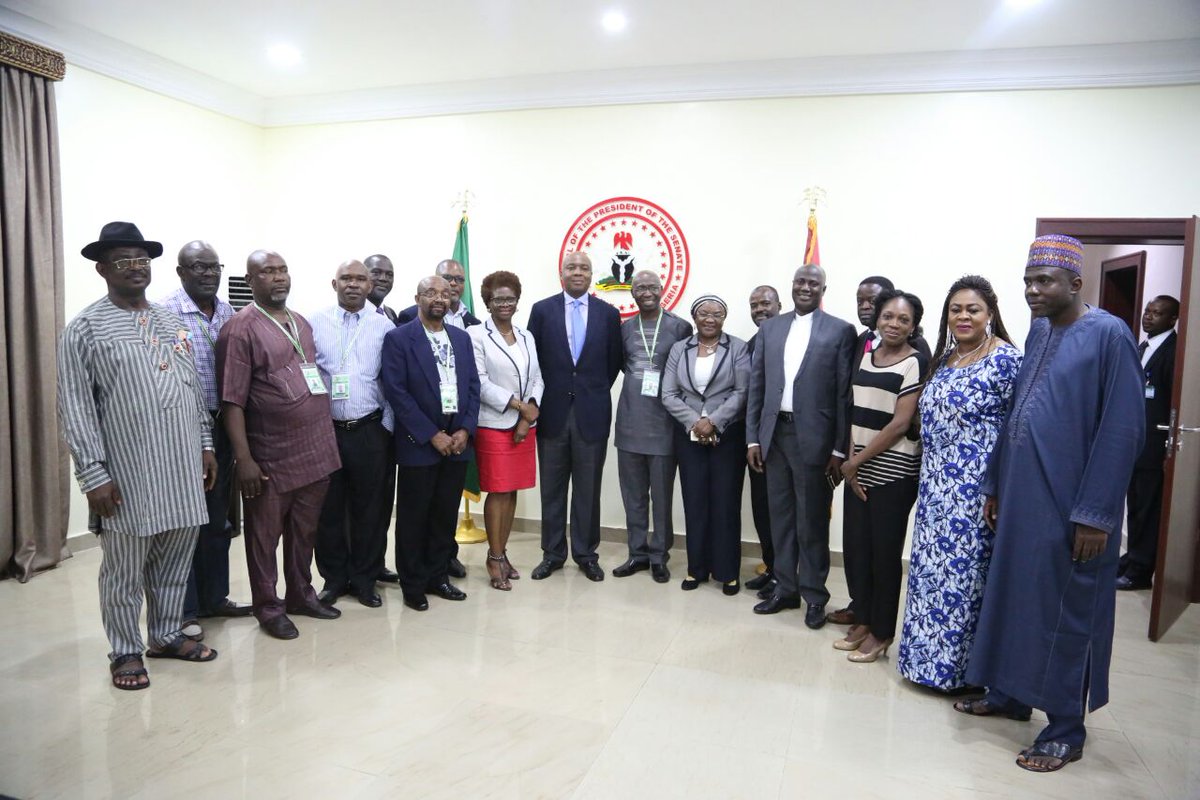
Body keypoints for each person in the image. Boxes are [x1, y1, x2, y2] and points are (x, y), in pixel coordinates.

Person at [956, 235, 1144, 773]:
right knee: (1016, 597)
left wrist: (1096, 515)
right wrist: (996, 483)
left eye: (1044, 281)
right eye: (1027, 281)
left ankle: (1065, 728)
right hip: (1023, 496)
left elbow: (1123, 430)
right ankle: (1011, 694)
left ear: (1075, 283)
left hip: (1072, 506)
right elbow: (1017, 411)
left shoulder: (1109, 335)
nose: (1032, 291)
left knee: (1066, 611)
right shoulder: (1039, 329)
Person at [58, 221, 218, 690]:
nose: (136, 267)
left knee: (174, 562)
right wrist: (93, 475)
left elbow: (191, 388)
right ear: (102, 269)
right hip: (128, 474)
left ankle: (165, 635)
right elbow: (74, 406)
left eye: (142, 259)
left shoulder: (170, 321)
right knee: (124, 571)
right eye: (123, 260)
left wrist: (206, 445)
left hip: (182, 467)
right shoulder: (84, 329)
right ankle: (125, 650)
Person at [897, 276, 1021, 692]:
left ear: (990, 314)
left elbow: (1017, 429)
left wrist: (999, 487)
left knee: (966, 582)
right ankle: (923, 666)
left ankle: (964, 675)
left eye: (973, 309)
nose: (963, 316)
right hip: (935, 489)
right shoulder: (946, 359)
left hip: (976, 492)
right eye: (956, 309)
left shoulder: (1006, 360)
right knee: (930, 575)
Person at [217, 250, 343, 640]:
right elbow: (232, 400)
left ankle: (301, 595)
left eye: (283, 270)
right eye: (268, 272)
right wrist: (244, 459)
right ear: (250, 281)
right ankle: (268, 607)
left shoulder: (301, 323)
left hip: (315, 449)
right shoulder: (239, 329)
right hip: (271, 455)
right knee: (264, 538)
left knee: (304, 532)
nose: (278, 278)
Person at [746, 264, 856, 626]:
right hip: (774, 436)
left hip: (815, 441)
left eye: (813, 283)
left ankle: (814, 596)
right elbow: (758, 386)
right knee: (780, 518)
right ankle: (785, 589)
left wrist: (838, 449)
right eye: (800, 282)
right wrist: (753, 437)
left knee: (811, 522)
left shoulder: (840, 330)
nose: (805, 287)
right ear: (791, 286)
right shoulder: (771, 328)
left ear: (824, 288)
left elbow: (843, 395)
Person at [162, 240, 253, 641]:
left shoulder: (230, 314)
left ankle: (215, 597)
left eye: (214, 267)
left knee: (218, 519)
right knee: (185, 521)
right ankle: (183, 609)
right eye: (199, 267)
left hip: (226, 425)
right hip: (183, 431)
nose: (209, 274)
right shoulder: (165, 314)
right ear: (181, 272)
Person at [835, 290, 929, 663]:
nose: (894, 324)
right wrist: (851, 460)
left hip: (893, 473)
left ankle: (882, 631)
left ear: (913, 326)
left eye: (903, 319)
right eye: (888, 316)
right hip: (858, 468)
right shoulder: (867, 356)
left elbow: (900, 424)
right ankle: (863, 618)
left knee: (884, 555)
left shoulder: (915, 362)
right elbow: (855, 411)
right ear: (877, 318)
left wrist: (856, 463)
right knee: (858, 550)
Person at [381, 276, 481, 610]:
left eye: (445, 293)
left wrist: (465, 430)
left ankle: (438, 576)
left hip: (457, 443)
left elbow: (473, 387)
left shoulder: (461, 338)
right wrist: (431, 434)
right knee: (414, 517)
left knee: (444, 515)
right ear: (417, 298)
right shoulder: (399, 338)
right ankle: (413, 584)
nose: (439, 298)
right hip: (419, 444)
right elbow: (396, 392)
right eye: (431, 293)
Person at [526, 251, 623, 581]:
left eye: (584, 268)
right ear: (562, 273)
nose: (578, 272)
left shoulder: (608, 314)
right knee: (552, 490)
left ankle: (586, 554)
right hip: (552, 414)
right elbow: (533, 361)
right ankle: (552, 554)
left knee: (588, 490)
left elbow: (612, 364)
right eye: (572, 267)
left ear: (592, 275)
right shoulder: (542, 310)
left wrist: (588, 391)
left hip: (591, 415)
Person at [310, 260, 397, 608]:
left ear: (368, 285)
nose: (353, 284)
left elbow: (392, 380)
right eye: (346, 278)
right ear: (334, 284)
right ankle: (333, 579)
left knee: (370, 511)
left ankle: (364, 579)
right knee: (328, 510)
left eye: (360, 279)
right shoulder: (314, 323)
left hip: (369, 430)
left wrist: (385, 428)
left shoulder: (384, 326)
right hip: (327, 431)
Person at [662, 295, 750, 595]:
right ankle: (696, 569)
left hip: (727, 436)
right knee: (695, 501)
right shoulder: (679, 348)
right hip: (689, 437)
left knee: (725, 503)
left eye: (717, 314)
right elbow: (668, 393)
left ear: (724, 318)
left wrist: (713, 421)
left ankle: (728, 572)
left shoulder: (738, 348)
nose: (710, 319)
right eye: (704, 313)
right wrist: (695, 422)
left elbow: (742, 391)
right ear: (694, 317)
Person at [613, 270, 693, 583]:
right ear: (632, 293)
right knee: (633, 495)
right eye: (640, 288)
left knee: (661, 497)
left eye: (652, 287)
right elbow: (623, 364)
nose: (646, 292)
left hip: (664, 425)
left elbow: (685, 371)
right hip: (630, 422)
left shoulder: (680, 326)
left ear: (662, 289)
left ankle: (659, 555)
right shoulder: (624, 328)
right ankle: (637, 553)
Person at [468, 271, 544, 590]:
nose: (504, 304)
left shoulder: (526, 336)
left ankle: (502, 552)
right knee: (498, 490)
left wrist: (529, 414)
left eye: (510, 298)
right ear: (487, 302)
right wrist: (518, 406)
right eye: (498, 299)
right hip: (494, 423)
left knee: (512, 490)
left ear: (517, 301)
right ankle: (494, 557)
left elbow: (537, 377)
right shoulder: (476, 335)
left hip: (525, 425)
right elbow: (480, 381)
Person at [1118, 295, 1179, 591]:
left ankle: (1140, 571)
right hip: (1135, 442)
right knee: (1135, 505)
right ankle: (1132, 558)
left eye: (1157, 313)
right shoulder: (1142, 346)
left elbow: (1172, 402)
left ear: (1172, 319)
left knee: (1147, 508)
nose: (1148, 316)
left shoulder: (1173, 352)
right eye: (1147, 311)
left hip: (1155, 445)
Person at [363, 252, 401, 586]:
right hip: (356, 423)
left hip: (386, 424)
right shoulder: (341, 317)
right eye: (377, 272)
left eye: (389, 274)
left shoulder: (390, 316)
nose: (383, 279)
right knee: (356, 504)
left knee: (382, 500)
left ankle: (375, 564)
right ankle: (353, 570)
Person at [744, 285, 782, 593]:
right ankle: (771, 568)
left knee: (784, 513)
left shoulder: (791, 338)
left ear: (779, 305)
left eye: (765, 303)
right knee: (762, 510)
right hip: (757, 443)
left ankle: (786, 574)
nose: (760, 309)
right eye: (754, 305)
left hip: (785, 442)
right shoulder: (752, 344)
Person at [396, 259, 481, 329]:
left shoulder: (475, 324)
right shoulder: (410, 315)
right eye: (447, 278)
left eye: (459, 279)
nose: (453, 283)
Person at [365, 253, 399, 323]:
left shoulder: (391, 314)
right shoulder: (351, 313)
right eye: (376, 273)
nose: (383, 278)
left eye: (389, 275)